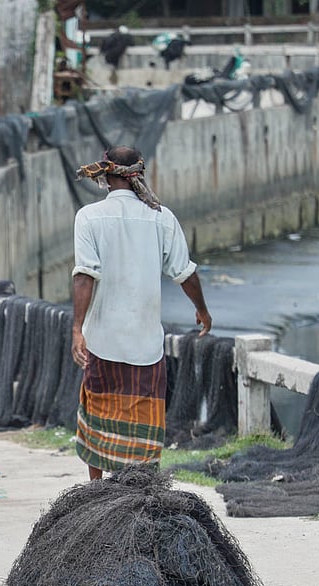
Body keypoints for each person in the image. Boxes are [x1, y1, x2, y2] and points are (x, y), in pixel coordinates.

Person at [71, 145, 211, 479]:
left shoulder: (88, 217)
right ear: (138, 176)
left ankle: (96, 488)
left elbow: (84, 275)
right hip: (146, 343)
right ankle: (143, 489)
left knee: (99, 413)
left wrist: (78, 329)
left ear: (105, 175)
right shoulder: (162, 217)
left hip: (102, 338)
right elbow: (185, 272)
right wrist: (202, 311)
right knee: (144, 418)